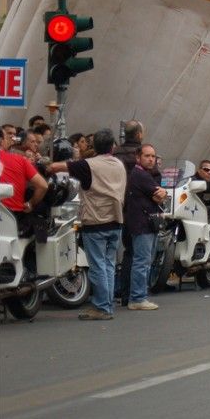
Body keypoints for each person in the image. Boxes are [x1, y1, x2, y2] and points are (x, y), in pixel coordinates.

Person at [48, 129, 127, 321]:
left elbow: (57, 168)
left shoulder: (88, 165)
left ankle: (102, 307)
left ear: (93, 146)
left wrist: (44, 165)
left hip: (95, 221)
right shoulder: (119, 164)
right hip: (116, 221)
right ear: (113, 146)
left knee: (98, 266)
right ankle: (106, 305)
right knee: (108, 265)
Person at [124, 144, 167, 310]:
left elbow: (160, 195)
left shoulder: (145, 175)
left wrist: (161, 193)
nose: (151, 159)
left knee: (144, 261)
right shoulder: (139, 175)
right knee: (142, 262)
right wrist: (161, 193)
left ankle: (139, 296)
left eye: (153, 156)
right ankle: (137, 298)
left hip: (146, 224)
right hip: (142, 224)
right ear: (138, 158)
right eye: (147, 156)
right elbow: (158, 196)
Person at [0, 124, 49, 231]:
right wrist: (30, 203)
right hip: (13, 218)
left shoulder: (23, 158)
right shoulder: (20, 160)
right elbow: (43, 186)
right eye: (8, 135)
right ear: (1, 140)